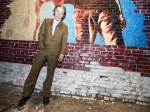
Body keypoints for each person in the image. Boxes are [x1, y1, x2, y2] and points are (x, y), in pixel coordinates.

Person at [17, 4, 68, 110]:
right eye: (57, 11)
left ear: (63, 15)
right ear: (54, 11)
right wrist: (41, 44)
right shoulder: (46, 21)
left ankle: (46, 95)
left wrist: (62, 54)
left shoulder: (64, 27)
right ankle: (25, 95)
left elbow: (64, 42)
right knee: (33, 71)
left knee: (50, 74)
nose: (59, 14)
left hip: (54, 53)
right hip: (43, 51)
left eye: (61, 13)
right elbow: (41, 33)